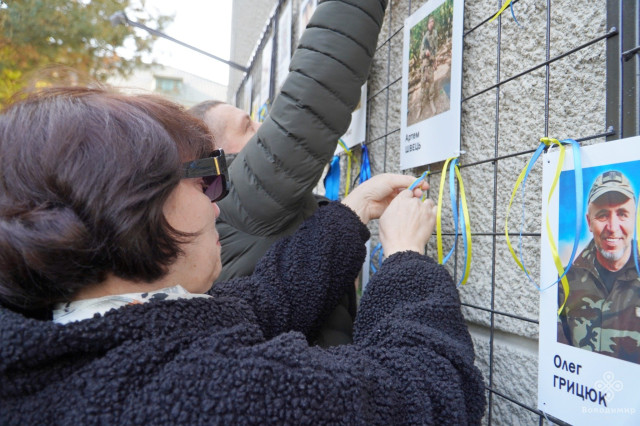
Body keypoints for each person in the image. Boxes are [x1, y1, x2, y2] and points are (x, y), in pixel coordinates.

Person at [0, 87, 486, 424]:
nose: (216, 204)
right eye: (204, 182)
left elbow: (262, 301)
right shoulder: (205, 396)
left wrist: (352, 213)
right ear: (133, 207)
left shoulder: (79, 335)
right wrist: (404, 259)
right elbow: (428, 392)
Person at [189, 0, 389, 347]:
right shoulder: (236, 193)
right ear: (215, 157)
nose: (263, 128)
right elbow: (314, 93)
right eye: (248, 126)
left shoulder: (221, 212)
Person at [558, 170, 640, 364]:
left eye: (622, 214)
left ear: (634, 219)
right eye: (602, 215)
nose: (612, 227)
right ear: (589, 222)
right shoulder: (564, 282)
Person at [419, 15, 439, 117]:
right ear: (428, 24)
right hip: (425, 66)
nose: (431, 24)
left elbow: (435, 49)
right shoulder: (425, 38)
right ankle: (420, 106)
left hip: (431, 65)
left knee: (431, 84)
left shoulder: (435, 35)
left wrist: (435, 61)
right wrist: (425, 53)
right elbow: (420, 54)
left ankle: (431, 102)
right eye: (430, 22)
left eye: (433, 22)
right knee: (422, 86)